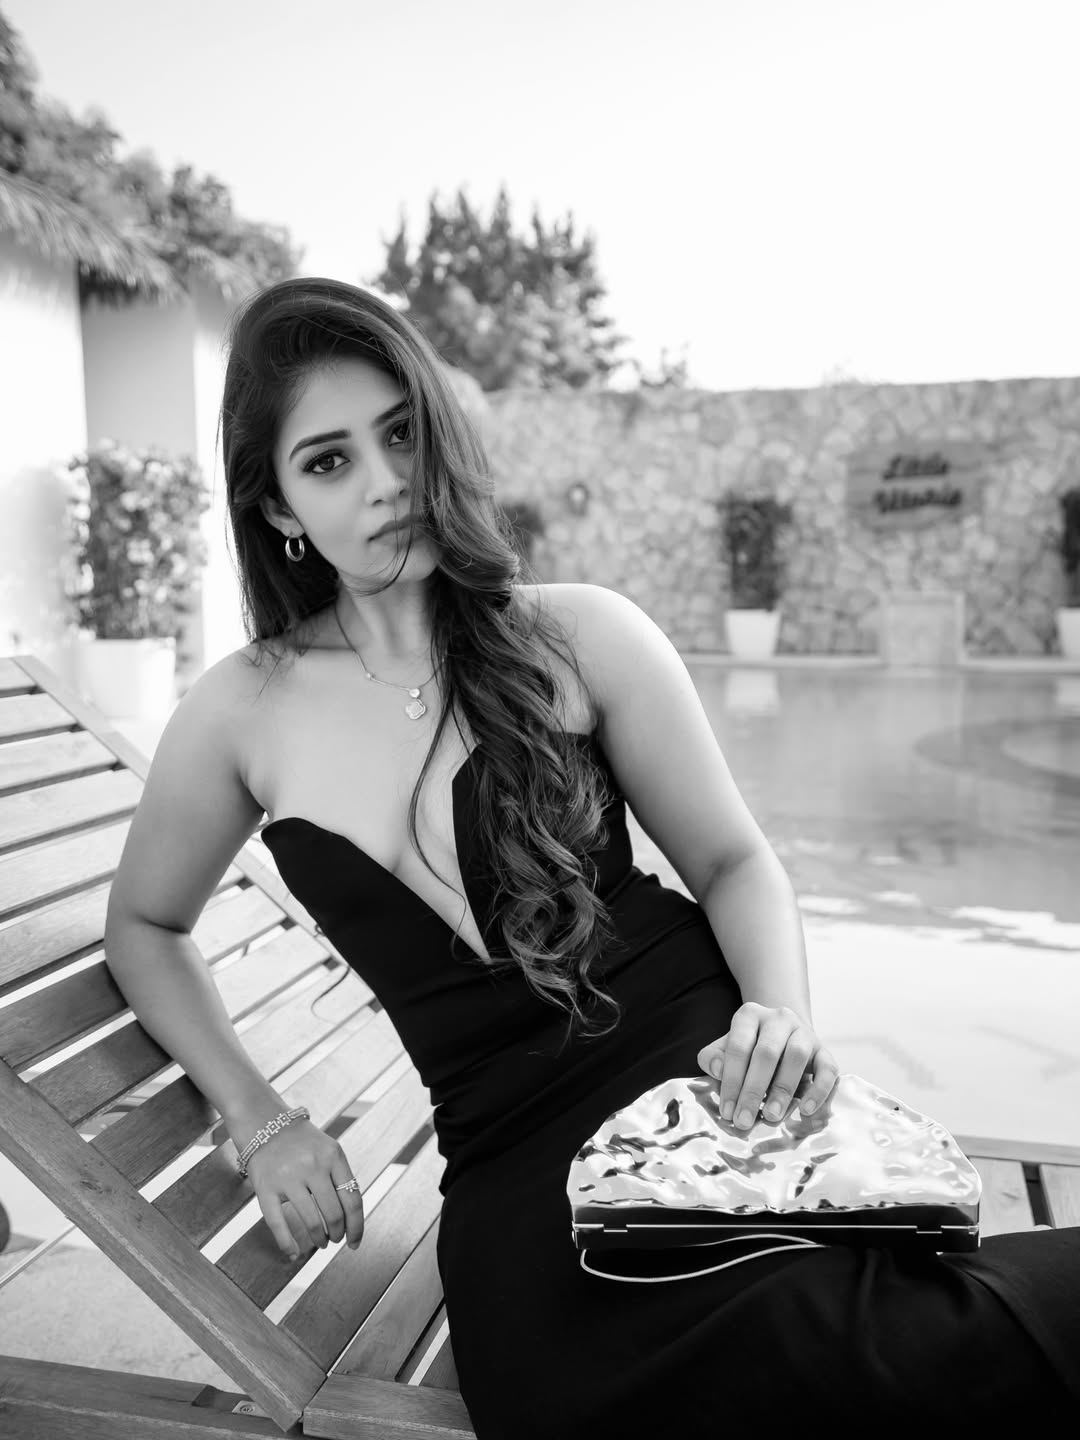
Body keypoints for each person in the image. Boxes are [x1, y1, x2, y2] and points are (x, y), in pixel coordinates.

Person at [103, 278, 1078, 1434]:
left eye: (402, 433)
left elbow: (733, 861)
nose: (385, 481)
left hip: (699, 1090)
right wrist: (263, 1117)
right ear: (278, 506)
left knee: (863, 1347)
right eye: (329, 460)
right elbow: (144, 926)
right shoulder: (239, 715)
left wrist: (781, 1015)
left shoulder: (579, 634)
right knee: (575, 1396)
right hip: (515, 1178)